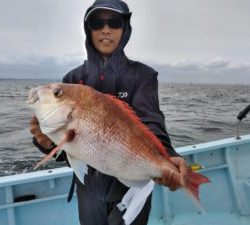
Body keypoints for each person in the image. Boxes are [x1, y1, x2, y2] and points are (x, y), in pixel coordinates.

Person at [30, 0, 188, 224]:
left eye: (114, 22)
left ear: (125, 28)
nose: (106, 29)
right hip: (87, 189)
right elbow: (68, 149)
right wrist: (46, 144)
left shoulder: (143, 76)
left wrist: (169, 157)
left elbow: (152, 124)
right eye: (97, 23)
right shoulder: (72, 80)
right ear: (88, 29)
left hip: (132, 190)